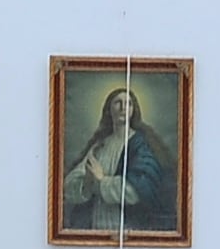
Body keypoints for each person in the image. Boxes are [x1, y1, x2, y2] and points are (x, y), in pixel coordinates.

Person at [61, 83, 177, 239]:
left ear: (133, 110)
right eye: (117, 102)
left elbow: (138, 190)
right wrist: (87, 182)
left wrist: (102, 181)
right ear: (109, 110)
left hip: (129, 227)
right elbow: (68, 186)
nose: (123, 107)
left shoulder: (141, 145)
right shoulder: (99, 145)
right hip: (97, 225)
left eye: (128, 103)